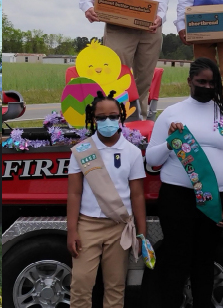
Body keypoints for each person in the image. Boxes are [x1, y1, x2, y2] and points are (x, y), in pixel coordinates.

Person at [146, 57, 223, 308]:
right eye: (201, 81)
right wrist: (170, 142)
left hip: (215, 198)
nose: (207, 87)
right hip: (177, 199)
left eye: (212, 83)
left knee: (205, 261)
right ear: (189, 81)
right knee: (176, 261)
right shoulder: (171, 114)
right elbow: (151, 161)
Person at [66, 93, 148, 308]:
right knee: (81, 284)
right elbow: (74, 193)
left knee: (115, 286)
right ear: (93, 119)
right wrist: (72, 231)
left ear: (121, 117)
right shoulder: (81, 152)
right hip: (88, 226)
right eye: (101, 117)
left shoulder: (132, 153)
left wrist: (142, 233)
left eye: (113, 116)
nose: (107, 121)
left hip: (120, 227)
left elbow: (137, 195)